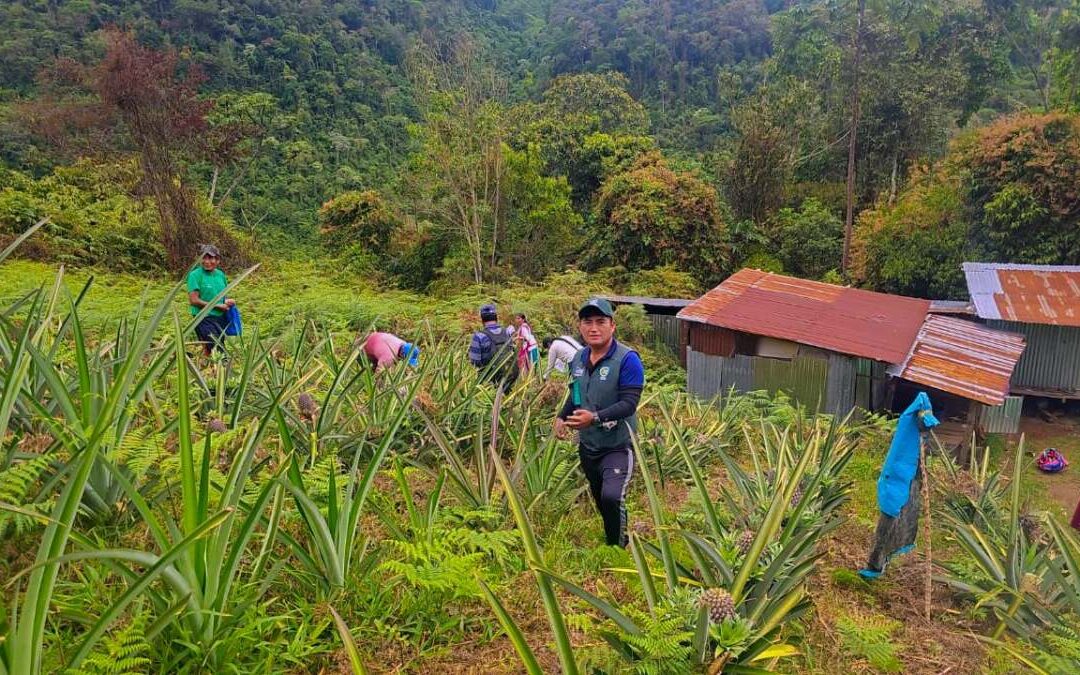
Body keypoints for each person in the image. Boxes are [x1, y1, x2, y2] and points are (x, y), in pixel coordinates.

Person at [555, 298, 645, 547]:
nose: (593, 328)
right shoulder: (577, 360)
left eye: (600, 322)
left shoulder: (628, 360)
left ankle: (618, 547)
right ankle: (611, 537)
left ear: (612, 326)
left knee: (612, 496)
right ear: (580, 326)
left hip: (618, 443)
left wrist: (593, 418)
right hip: (588, 445)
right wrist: (562, 416)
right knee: (599, 495)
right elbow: (575, 395)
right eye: (588, 322)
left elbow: (629, 404)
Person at [187, 244, 234, 357]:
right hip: (203, 318)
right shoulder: (195, 275)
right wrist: (218, 306)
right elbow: (194, 300)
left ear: (217, 260)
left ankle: (206, 370)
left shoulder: (220, 275)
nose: (207, 261)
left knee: (213, 347)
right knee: (217, 349)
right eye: (204, 257)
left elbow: (222, 296)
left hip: (220, 317)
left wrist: (228, 301)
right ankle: (223, 370)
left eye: (211, 258)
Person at [468, 303, 518, 390]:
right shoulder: (507, 332)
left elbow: (475, 362)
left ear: (482, 319)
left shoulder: (479, 336)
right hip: (510, 375)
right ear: (496, 317)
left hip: (489, 381)